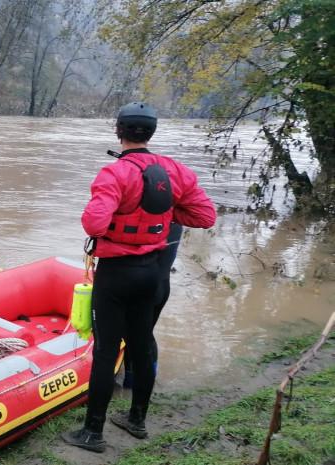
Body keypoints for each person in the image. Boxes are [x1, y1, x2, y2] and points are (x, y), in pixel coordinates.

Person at [62, 102, 216, 452]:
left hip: (116, 275)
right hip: (153, 272)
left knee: (105, 353)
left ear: (119, 131)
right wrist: (165, 210)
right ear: (151, 132)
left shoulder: (114, 173)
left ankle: (92, 433)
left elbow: (94, 224)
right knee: (142, 344)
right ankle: (136, 420)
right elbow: (206, 216)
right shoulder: (176, 171)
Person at [122, 221, 182, 388]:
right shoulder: (175, 217)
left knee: (134, 334)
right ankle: (144, 381)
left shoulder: (149, 214)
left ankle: (133, 383)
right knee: (144, 334)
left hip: (143, 286)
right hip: (162, 285)